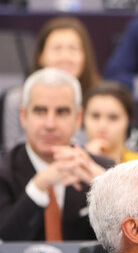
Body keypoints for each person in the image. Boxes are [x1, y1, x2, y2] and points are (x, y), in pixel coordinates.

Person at [0, 68, 112, 241]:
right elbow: (4, 241)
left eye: (61, 112)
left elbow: (128, 245)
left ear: (78, 118)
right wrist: (39, 185)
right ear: (23, 116)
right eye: (40, 111)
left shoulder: (103, 171)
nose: (50, 124)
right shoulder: (3, 172)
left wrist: (107, 187)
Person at [3, 16, 101, 152]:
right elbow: (13, 151)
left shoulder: (101, 101)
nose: (65, 57)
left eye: (73, 49)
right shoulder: (16, 99)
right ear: (41, 56)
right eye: (57, 48)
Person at [83, 81, 138, 163]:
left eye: (113, 117)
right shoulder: (70, 165)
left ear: (128, 121)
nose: (102, 125)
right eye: (95, 116)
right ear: (82, 119)